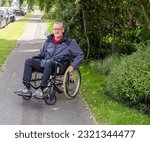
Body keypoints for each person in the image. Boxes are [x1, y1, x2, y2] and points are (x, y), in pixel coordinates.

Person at [15, 22, 84, 99]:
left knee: (49, 63)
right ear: (53, 30)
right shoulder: (48, 40)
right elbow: (42, 54)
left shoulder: (69, 42)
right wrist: (36, 58)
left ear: (63, 30)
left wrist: (73, 66)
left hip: (59, 66)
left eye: (59, 29)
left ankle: (41, 89)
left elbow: (80, 54)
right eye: (55, 29)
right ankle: (26, 88)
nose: (57, 31)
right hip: (46, 63)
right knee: (29, 61)